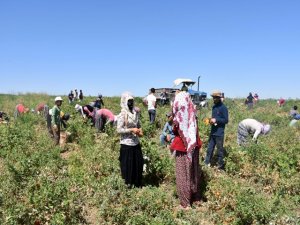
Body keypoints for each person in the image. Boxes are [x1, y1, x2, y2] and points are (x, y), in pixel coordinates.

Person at [170, 90, 202, 209]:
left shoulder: (179, 117)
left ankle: (185, 204)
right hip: (194, 145)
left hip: (182, 147)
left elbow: (175, 129)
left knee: (183, 174)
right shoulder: (192, 114)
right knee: (193, 173)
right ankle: (196, 198)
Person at [117, 92, 144, 187]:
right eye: (129, 101)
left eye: (132, 101)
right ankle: (128, 184)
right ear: (124, 102)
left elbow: (139, 125)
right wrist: (131, 129)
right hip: (126, 144)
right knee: (127, 165)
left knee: (138, 163)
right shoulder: (122, 114)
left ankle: (137, 183)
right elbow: (119, 130)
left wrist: (140, 131)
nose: (131, 103)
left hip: (136, 142)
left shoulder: (135, 113)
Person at [204, 90, 229, 170]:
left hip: (219, 133)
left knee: (219, 151)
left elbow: (226, 120)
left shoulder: (223, 108)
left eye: (215, 98)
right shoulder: (214, 107)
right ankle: (207, 163)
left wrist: (216, 120)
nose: (214, 99)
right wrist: (210, 121)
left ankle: (220, 167)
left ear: (219, 98)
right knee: (209, 149)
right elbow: (214, 119)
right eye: (213, 97)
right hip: (213, 132)